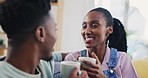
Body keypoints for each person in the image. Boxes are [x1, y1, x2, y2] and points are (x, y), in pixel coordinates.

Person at [0, 0, 87, 78]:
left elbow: (57, 56)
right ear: (41, 33)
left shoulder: (42, 63)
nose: (55, 38)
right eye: (54, 29)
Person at [64, 7, 138, 78]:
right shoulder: (72, 59)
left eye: (94, 26)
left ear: (109, 30)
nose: (87, 31)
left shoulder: (122, 59)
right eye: (84, 26)